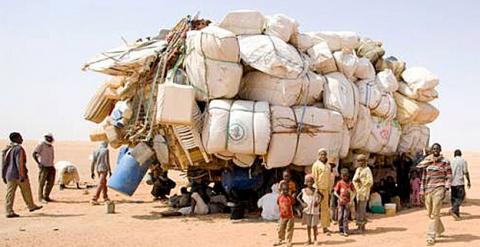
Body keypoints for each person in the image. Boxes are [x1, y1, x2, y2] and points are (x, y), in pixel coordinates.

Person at [417, 143, 451, 246]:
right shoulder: (427, 162)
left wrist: (446, 188)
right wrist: (422, 190)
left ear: (440, 150)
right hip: (428, 189)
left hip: (439, 189)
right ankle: (440, 229)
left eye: (437, 148)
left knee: (434, 213)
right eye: (434, 148)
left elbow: (449, 176)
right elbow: (423, 177)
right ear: (431, 150)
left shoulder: (445, 162)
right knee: (430, 213)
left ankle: (431, 237)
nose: (435, 150)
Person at [2, 132, 42, 218]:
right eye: (20, 137)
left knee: (10, 193)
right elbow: (19, 162)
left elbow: (3, 163)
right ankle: (31, 206)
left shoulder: (8, 149)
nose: (22, 139)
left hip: (9, 175)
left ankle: (9, 211)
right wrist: (22, 175)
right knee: (26, 190)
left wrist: (3, 175)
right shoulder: (19, 149)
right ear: (16, 139)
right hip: (18, 174)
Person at [297, 175, 322, 245]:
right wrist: (302, 203)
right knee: (308, 226)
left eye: (311, 181)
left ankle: (315, 239)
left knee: (314, 225)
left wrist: (318, 202)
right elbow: (298, 197)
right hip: (307, 211)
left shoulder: (316, 190)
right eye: (308, 181)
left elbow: (322, 196)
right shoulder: (303, 190)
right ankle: (309, 239)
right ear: (305, 182)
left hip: (314, 211)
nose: (309, 183)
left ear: (313, 182)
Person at [311, 148, 332, 234]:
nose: (323, 156)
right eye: (321, 154)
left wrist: (329, 189)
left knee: (325, 209)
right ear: (318, 155)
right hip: (318, 190)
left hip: (326, 189)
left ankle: (325, 227)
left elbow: (329, 178)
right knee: (315, 209)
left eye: (324, 154)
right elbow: (314, 178)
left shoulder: (328, 165)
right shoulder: (316, 165)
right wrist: (316, 189)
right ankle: (314, 228)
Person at [352, 154, 373, 233]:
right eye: (358, 161)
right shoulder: (358, 169)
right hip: (358, 192)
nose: (360, 162)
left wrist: (361, 181)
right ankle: (361, 226)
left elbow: (370, 182)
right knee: (359, 210)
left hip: (364, 193)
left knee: (361, 210)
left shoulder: (367, 170)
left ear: (364, 161)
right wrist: (356, 182)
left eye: (361, 161)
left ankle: (361, 228)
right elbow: (354, 179)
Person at [33, 133, 56, 203]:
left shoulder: (51, 146)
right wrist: (38, 163)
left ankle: (46, 196)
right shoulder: (41, 145)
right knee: (41, 183)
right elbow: (34, 154)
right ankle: (41, 198)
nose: (49, 139)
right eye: (48, 138)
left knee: (51, 182)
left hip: (51, 166)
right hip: (44, 167)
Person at [450, 149, 470, 220]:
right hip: (459, 182)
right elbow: (466, 172)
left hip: (452, 183)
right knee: (461, 196)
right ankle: (453, 209)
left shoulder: (451, 161)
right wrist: (468, 181)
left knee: (454, 198)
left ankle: (456, 215)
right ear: (461, 154)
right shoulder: (463, 161)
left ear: (454, 154)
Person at [334, 168, 355, 236]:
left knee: (345, 217)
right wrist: (339, 198)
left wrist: (351, 200)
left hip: (347, 203)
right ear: (341, 175)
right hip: (340, 203)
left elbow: (355, 191)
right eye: (343, 176)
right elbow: (335, 192)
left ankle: (345, 230)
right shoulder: (339, 183)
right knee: (340, 217)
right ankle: (341, 230)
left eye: (346, 175)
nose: (345, 177)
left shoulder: (350, 183)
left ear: (348, 175)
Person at [274, 182, 295, 247]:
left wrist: (291, 196)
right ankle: (280, 239)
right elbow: (278, 203)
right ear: (281, 190)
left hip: (290, 217)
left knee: (289, 229)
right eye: (284, 190)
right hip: (282, 216)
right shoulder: (279, 197)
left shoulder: (290, 197)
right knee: (280, 229)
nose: (285, 191)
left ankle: (288, 241)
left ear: (289, 190)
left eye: (287, 190)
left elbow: (293, 203)